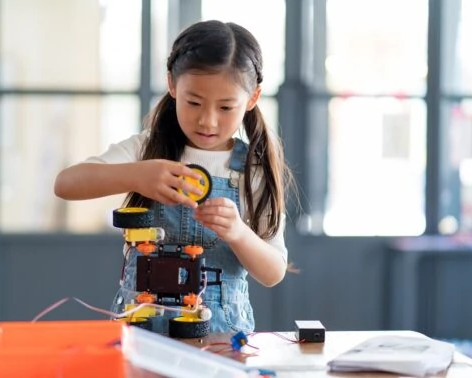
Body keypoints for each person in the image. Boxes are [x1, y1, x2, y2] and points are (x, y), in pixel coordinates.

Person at [54, 20, 296, 333]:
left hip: (220, 337)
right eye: (193, 102)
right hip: (141, 331)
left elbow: (273, 271)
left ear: (252, 99)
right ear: (172, 84)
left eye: (225, 107)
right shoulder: (146, 148)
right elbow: (65, 184)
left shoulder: (253, 169)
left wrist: (238, 232)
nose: (207, 120)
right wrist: (136, 175)